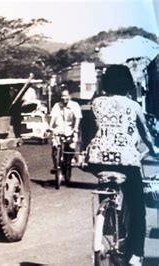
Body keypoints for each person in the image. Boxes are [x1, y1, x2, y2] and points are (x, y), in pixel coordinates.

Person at [85, 65, 158, 265]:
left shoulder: (96, 103)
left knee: (105, 184)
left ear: (106, 83)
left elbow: (91, 133)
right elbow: (146, 136)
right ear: (127, 84)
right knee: (137, 209)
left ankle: (107, 218)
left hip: (97, 160)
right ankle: (136, 254)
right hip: (127, 162)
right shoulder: (133, 105)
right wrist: (155, 150)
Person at [49, 89, 82, 172]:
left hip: (70, 130)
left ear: (69, 96)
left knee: (71, 148)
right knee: (55, 147)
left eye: (66, 96)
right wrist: (50, 127)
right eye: (62, 96)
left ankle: (70, 160)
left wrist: (75, 128)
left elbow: (77, 118)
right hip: (58, 130)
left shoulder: (75, 105)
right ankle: (55, 165)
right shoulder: (57, 106)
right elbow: (53, 117)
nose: (64, 98)